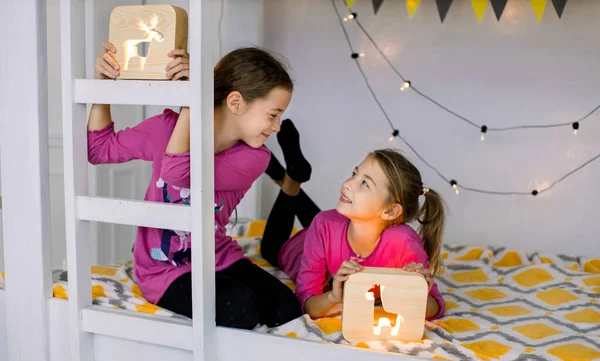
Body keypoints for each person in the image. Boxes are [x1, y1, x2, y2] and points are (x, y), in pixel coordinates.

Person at [88, 42, 301, 329]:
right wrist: (103, 88)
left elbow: (178, 172)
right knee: (240, 307)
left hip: (217, 255)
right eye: (273, 115)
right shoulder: (164, 129)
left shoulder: (253, 158)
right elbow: (98, 150)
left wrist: (193, 99)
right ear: (236, 103)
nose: (276, 127)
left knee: (286, 308)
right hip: (164, 269)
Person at [260, 122, 446, 320]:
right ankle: (290, 179)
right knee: (271, 248)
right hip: (298, 247)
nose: (348, 183)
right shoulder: (324, 225)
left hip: (331, 231)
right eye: (354, 174)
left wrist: (415, 293)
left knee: (327, 220)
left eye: (365, 183)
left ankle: (289, 177)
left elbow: (436, 306)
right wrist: (333, 296)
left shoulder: (405, 244)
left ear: (390, 210)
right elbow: (308, 304)